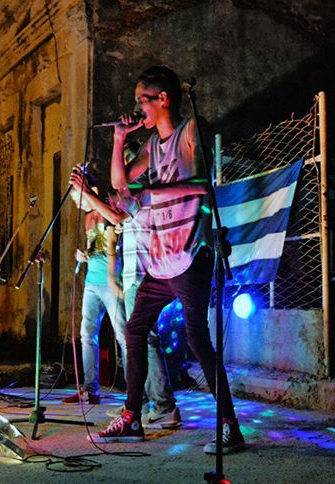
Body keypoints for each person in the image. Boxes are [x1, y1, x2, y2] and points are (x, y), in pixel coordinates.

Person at [96, 66, 244, 453]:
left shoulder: (192, 129)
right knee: (134, 328)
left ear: (162, 99)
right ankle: (131, 417)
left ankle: (230, 425)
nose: (137, 108)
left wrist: (159, 189)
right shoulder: (151, 146)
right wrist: (119, 139)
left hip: (192, 252)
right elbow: (120, 183)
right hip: (161, 260)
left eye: (141, 100)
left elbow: (200, 181)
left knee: (199, 340)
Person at [69, 145, 181, 430]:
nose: (122, 172)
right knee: (139, 341)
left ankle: (163, 406)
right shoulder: (133, 197)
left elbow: (116, 217)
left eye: (128, 164)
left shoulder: (141, 194)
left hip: (141, 277)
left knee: (145, 341)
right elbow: (116, 217)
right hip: (135, 276)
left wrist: (90, 195)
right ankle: (140, 404)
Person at [62, 180, 126, 406]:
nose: (76, 204)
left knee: (123, 335)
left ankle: (137, 394)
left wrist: (112, 278)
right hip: (91, 281)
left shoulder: (107, 208)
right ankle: (90, 390)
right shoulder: (88, 219)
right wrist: (84, 255)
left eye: (76, 197)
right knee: (86, 335)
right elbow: (96, 246)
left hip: (111, 280)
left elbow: (114, 244)